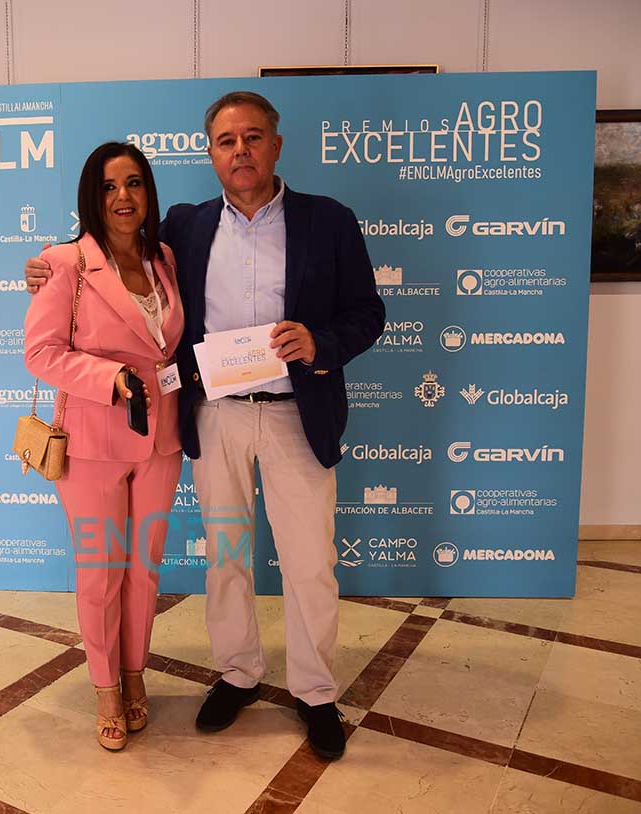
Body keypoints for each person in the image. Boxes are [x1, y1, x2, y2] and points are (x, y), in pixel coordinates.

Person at [25, 92, 385, 760]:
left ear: (276, 145)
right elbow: (103, 263)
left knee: (310, 562)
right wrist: (44, 267)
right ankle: (238, 673)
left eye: (253, 137)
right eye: (226, 141)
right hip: (213, 415)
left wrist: (321, 343)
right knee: (225, 556)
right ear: (211, 154)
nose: (240, 150)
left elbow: (368, 312)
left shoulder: (328, 220)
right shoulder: (185, 230)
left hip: (296, 413)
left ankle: (314, 692)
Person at [23, 141, 184, 751]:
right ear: (92, 197)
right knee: (100, 573)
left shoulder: (164, 257)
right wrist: (107, 377)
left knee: (144, 570)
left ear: (149, 193)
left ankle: (135, 671)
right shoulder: (64, 262)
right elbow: (40, 353)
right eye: (110, 186)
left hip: (161, 440)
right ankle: (106, 688)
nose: (123, 196)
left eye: (134, 183)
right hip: (93, 444)